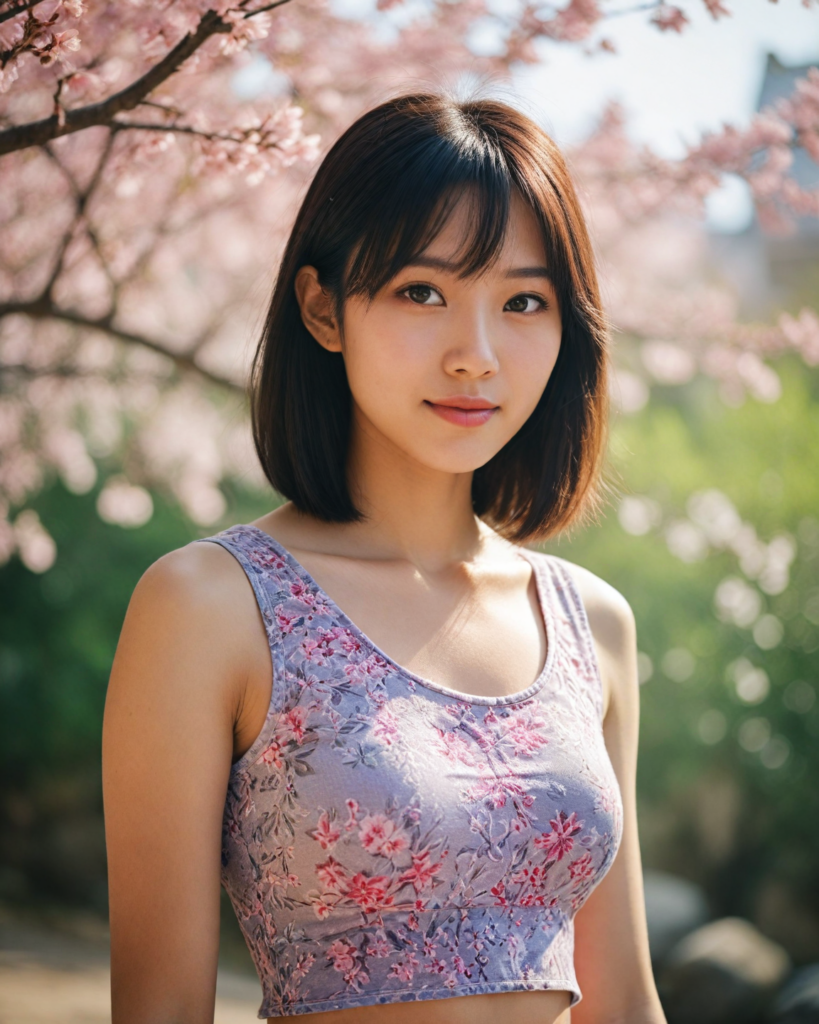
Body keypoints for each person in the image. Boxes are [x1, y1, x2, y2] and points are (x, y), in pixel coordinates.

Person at [102, 92, 667, 1024]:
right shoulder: (210, 606)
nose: (475, 356)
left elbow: (625, 1002)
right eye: (422, 292)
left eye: (522, 302)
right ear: (323, 308)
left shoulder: (590, 622)